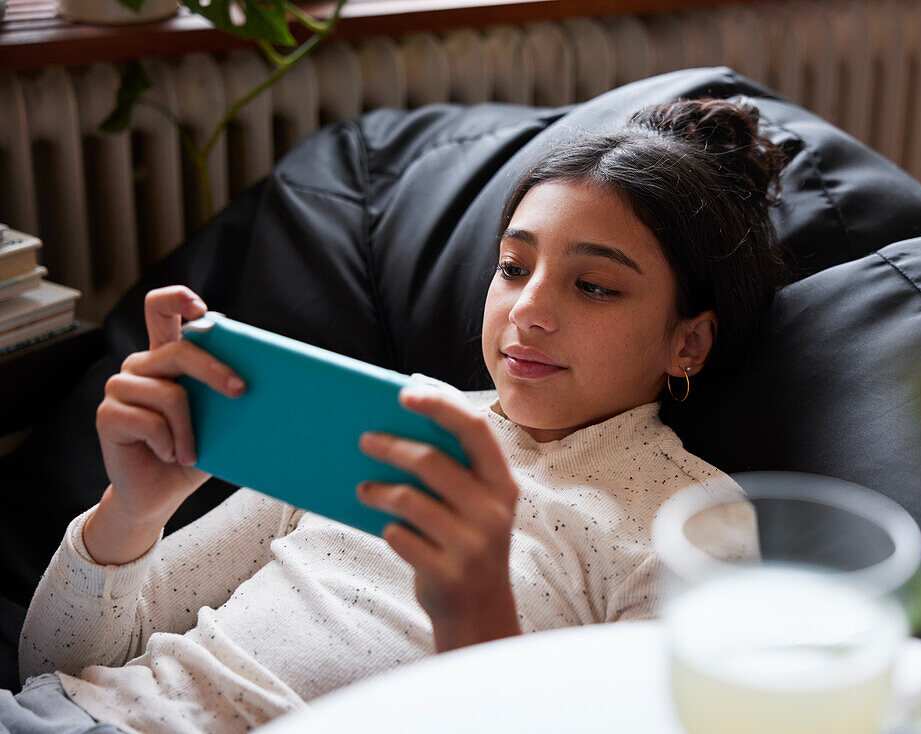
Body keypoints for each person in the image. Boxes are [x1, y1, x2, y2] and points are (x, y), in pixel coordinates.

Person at [9, 97, 790, 733]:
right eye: (514, 268)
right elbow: (53, 668)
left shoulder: (690, 524)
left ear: (688, 343)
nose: (528, 311)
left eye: (593, 286)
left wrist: (477, 616)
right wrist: (134, 514)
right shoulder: (390, 419)